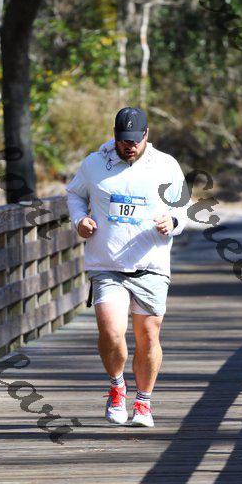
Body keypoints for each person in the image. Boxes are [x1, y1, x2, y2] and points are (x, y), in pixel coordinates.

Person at [65, 107, 189, 427]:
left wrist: (173, 222)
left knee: (148, 336)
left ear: (146, 135)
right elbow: (74, 194)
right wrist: (79, 220)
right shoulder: (95, 163)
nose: (129, 146)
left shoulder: (165, 165)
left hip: (151, 264)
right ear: (115, 136)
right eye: (123, 141)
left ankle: (143, 402)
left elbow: (183, 206)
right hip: (107, 263)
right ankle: (117, 387)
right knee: (111, 332)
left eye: (135, 140)